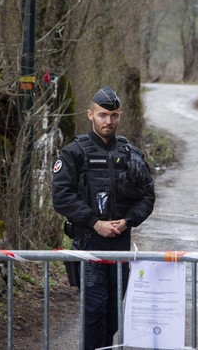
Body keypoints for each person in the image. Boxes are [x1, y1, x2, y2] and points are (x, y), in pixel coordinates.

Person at [52, 86, 155, 350]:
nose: (108, 121)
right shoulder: (74, 152)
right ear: (90, 115)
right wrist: (95, 223)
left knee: (113, 317)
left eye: (113, 115)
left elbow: (148, 196)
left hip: (120, 247)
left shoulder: (130, 152)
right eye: (102, 115)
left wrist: (128, 221)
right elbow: (61, 197)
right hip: (89, 246)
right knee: (94, 314)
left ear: (120, 115)